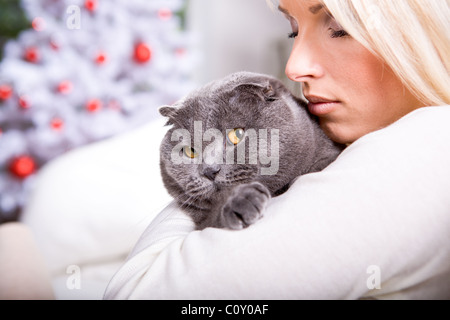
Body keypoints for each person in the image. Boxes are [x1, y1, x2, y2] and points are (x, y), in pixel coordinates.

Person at [103, 0, 450, 299]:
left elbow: (136, 290)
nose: (293, 68)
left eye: (340, 28)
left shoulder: (427, 144)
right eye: (293, 30)